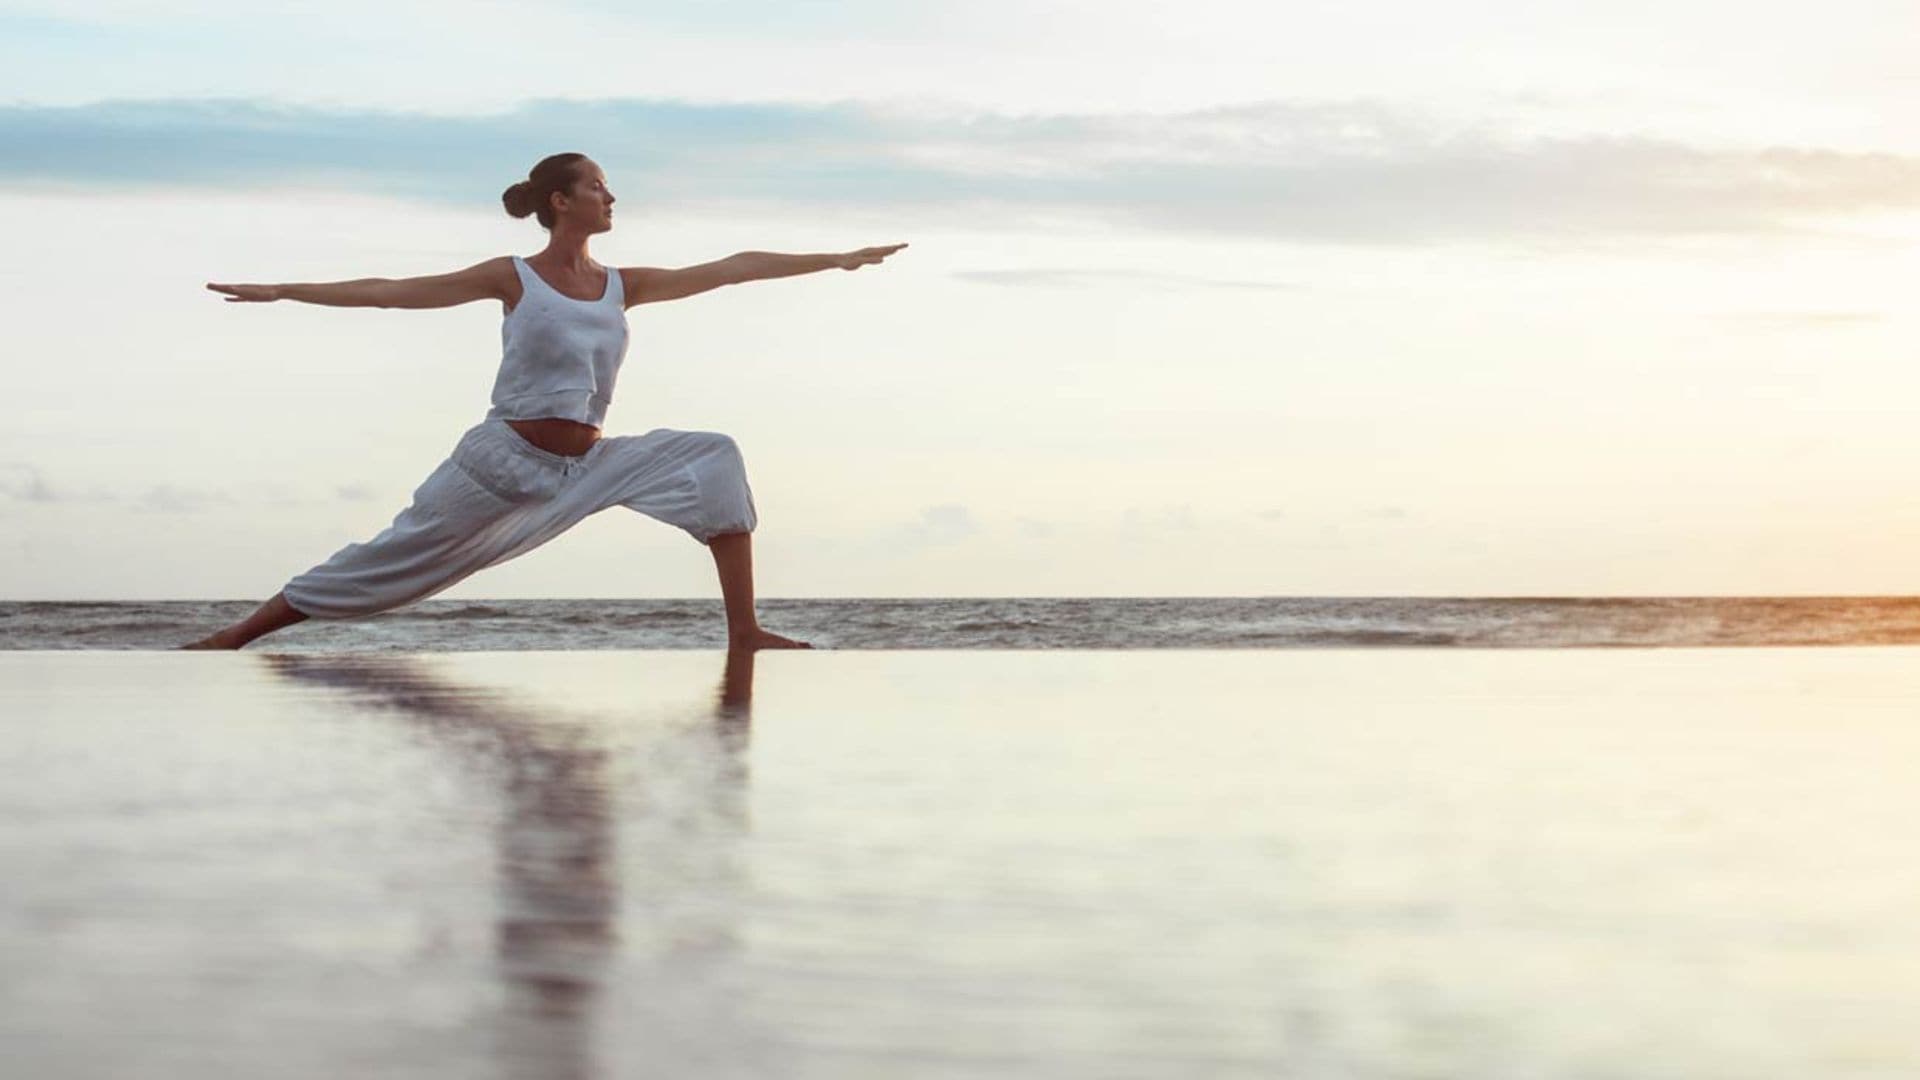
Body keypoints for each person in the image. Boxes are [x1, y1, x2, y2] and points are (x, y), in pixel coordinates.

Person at [180, 151, 905, 651]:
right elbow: (390, 294)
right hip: (501, 463)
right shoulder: (514, 277)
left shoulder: (624, 284)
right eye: (598, 187)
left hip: (585, 465)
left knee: (713, 457)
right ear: (561, 201)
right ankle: (238, 634)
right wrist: (283, 290)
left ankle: (744, 630)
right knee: (390, 561)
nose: (611, 197)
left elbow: (733, 269)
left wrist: (835, 259)